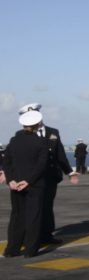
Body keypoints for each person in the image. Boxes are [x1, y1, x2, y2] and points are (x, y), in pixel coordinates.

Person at [19, 103, 78, 244]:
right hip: (33, 178)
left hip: (50, 176)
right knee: (33, 208)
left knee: (47, 206)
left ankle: (47, 235)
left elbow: (60, 154)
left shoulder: (53, 132)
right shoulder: (24, 135)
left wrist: (69, 172)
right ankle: (33, 236)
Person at [3, 110, 50, 258]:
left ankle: (12, 249)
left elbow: (6, 162)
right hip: (34, 185)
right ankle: (30, 250)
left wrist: (11, 179)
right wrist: (28, 181)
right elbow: (41, 165)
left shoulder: (14, 140)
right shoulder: (41, 142)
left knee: (17, 216)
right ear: (37, 125)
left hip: (15, 185)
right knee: (34, 217)